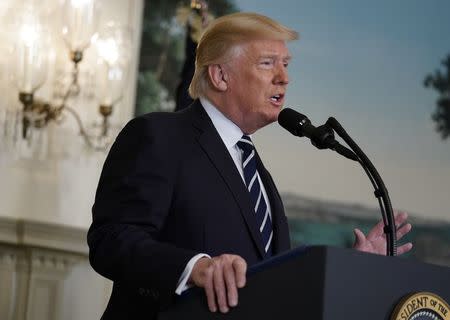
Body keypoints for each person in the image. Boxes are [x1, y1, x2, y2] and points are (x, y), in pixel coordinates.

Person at [87, 12, 412, 320]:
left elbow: (272, 281)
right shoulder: (159, 136)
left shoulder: (257, 172)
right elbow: (112, 240)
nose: (284, 77)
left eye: (285, 64)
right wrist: (194, 268)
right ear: (220, 75)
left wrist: (348, 268)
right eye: (267, 63)